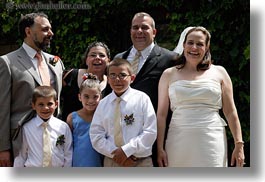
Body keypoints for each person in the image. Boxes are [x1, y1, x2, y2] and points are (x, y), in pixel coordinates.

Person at [156, 26, 245, 167]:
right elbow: (161, 114)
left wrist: (239, 144)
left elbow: (230, 111)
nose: (194, 47)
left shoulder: (220, 72)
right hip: (178, 139)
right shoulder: (168, 74)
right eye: (190, 43)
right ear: (184, 45)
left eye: (200, 44)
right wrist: (159, 148)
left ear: (207, 47)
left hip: (211, 139)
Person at [113, 12, 177, 167]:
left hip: (152, 139)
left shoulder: (170, 59)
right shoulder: (119, 58)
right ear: (130, 31)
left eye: (144, 27)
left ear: (154, 32)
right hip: (120, 140)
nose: (139, 31)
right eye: (135, 27)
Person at [0, 12, 64, 167]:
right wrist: (3, 148)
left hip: (53, 141)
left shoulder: (55, 62)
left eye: (50, 29)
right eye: (45, 29)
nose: (51, 33)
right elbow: (2, 108)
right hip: (21, 143)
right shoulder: (7, 62)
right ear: (28, 31)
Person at [90, 58, 157, 167]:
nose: (117, 79)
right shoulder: (103, 104)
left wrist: (127, 151)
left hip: (139, 161)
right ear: (107, 78)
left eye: (122, 75)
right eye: (112, 75)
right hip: (112, 160)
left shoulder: (142, 99)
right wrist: (116, 153)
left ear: (132, 78)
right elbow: (96, 135)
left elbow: (150, 131)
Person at [14, 86, 72, 167]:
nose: (45, 108)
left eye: (50, 104)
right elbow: (22, 155)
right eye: (41, 104)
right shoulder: (27, 128)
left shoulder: (63, 127)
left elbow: (68, 154)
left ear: (56, 104)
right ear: (33, 105)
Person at [61, 41, 110, 122]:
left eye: (102, 55)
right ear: (86, 60)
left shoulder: (111, 84)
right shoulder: (71, 75)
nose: (97, 57)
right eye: (93, 55)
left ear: (108, 60)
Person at [66, 73, 103, 167]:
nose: (91, 101)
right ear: (79, 97)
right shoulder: (72, 118)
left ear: (100, 97)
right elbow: (67, 146)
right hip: (78, 163)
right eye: (86, 96)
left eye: (95, 97)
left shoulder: (103, 117)